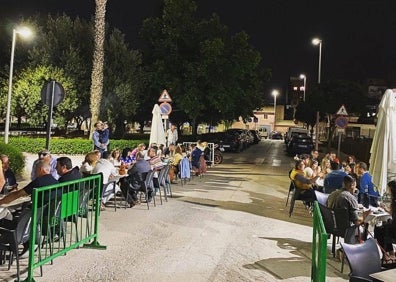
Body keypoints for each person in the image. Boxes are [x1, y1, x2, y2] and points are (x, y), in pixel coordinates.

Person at [374, 180, 396, 264]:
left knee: (378, 230)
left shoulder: (394, 201)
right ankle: (391, 253)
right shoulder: (394, 201)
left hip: (394, 230)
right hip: (393, 227)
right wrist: (385, 208)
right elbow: (392, 212)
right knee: (384, 229)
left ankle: (385, 255)